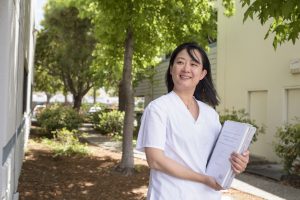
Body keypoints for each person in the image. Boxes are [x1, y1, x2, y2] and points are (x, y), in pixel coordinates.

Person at [136, 42, 249, 200]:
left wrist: (238, 162)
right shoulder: (158, 109)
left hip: (208, 196)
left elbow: (218, 157)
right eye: (180, 62)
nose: (186, 69)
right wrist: (204, 179)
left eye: (194, 64)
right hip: (169, 195)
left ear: (203, 74)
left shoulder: (210, 114)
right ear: (171, 69)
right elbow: (155, 160)